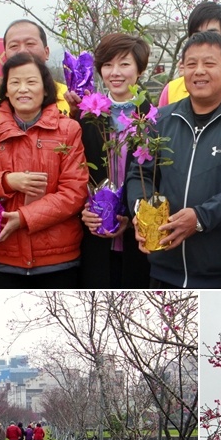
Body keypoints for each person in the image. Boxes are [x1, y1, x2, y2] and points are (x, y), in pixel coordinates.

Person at [125, 31, 221, 288]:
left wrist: (199, 218)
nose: (199, 71)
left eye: (209, 64)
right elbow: (138, 174)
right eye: (191, 64)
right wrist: (141, 211)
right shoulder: (159, 119)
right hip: (164, 268)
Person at [0, 52, 89, 288]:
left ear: (45, 88)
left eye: (31, 82)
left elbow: (74, 192)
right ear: (6, 91)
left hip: (58, 259)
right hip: (4, 257)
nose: (23, 89)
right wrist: (7, 182)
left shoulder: (68, 130)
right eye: (15, 82)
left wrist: (23, 218)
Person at [65, 33, 152, 289]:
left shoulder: (154, 119)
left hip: (138, 238)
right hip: (94, 239)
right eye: (107, 65)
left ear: (140, 69)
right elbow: (74, 173)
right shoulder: (87, 117)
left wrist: (130, 214)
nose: (115, 72)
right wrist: (84, 210)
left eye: (124, 64)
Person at [3, 19, 70, 115]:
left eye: (30, 44)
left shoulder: (68, 97)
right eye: (14, 46)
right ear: (5, 56)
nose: (22, 51)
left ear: (46, 52)